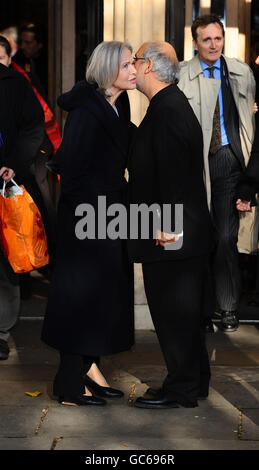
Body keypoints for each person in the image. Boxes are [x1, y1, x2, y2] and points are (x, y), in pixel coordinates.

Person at [41, 41, 136, 407]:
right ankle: (68, 384)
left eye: (133, 63)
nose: (133, 70)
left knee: (102, 297)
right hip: (87, 218)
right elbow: (73, 172)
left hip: (110, 213)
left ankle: (90, 369)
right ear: (108, 69)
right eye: (126, 64)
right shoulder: (85, 111)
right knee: (78, 298)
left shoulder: (119, 103)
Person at [127, 41, 213, 409]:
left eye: (135, 60)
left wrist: (167, 233)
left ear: (148, 66)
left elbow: (175, 180)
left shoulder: (168, 110)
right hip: (178, 232)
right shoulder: (168, 106)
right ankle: (192, 383)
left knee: (175, 314)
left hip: (172, 236)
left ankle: (182, 389)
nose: (132, 67)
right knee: (184, 315)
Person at [178, 14, 256, 333]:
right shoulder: (181, 75)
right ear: (195, 43)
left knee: (226, 237)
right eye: (206, 39)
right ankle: (196, 306)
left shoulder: (240, 72)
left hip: (227, 161)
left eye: (218, 38)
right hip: (194, 164)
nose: (213, 45)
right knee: (196, 238)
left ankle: (227, 306)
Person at [0, 38, 45, 360]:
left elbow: (34, 128)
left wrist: (14, 163)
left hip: (6, 183)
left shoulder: (15, 84)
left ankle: (1, 330)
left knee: (5, 259)